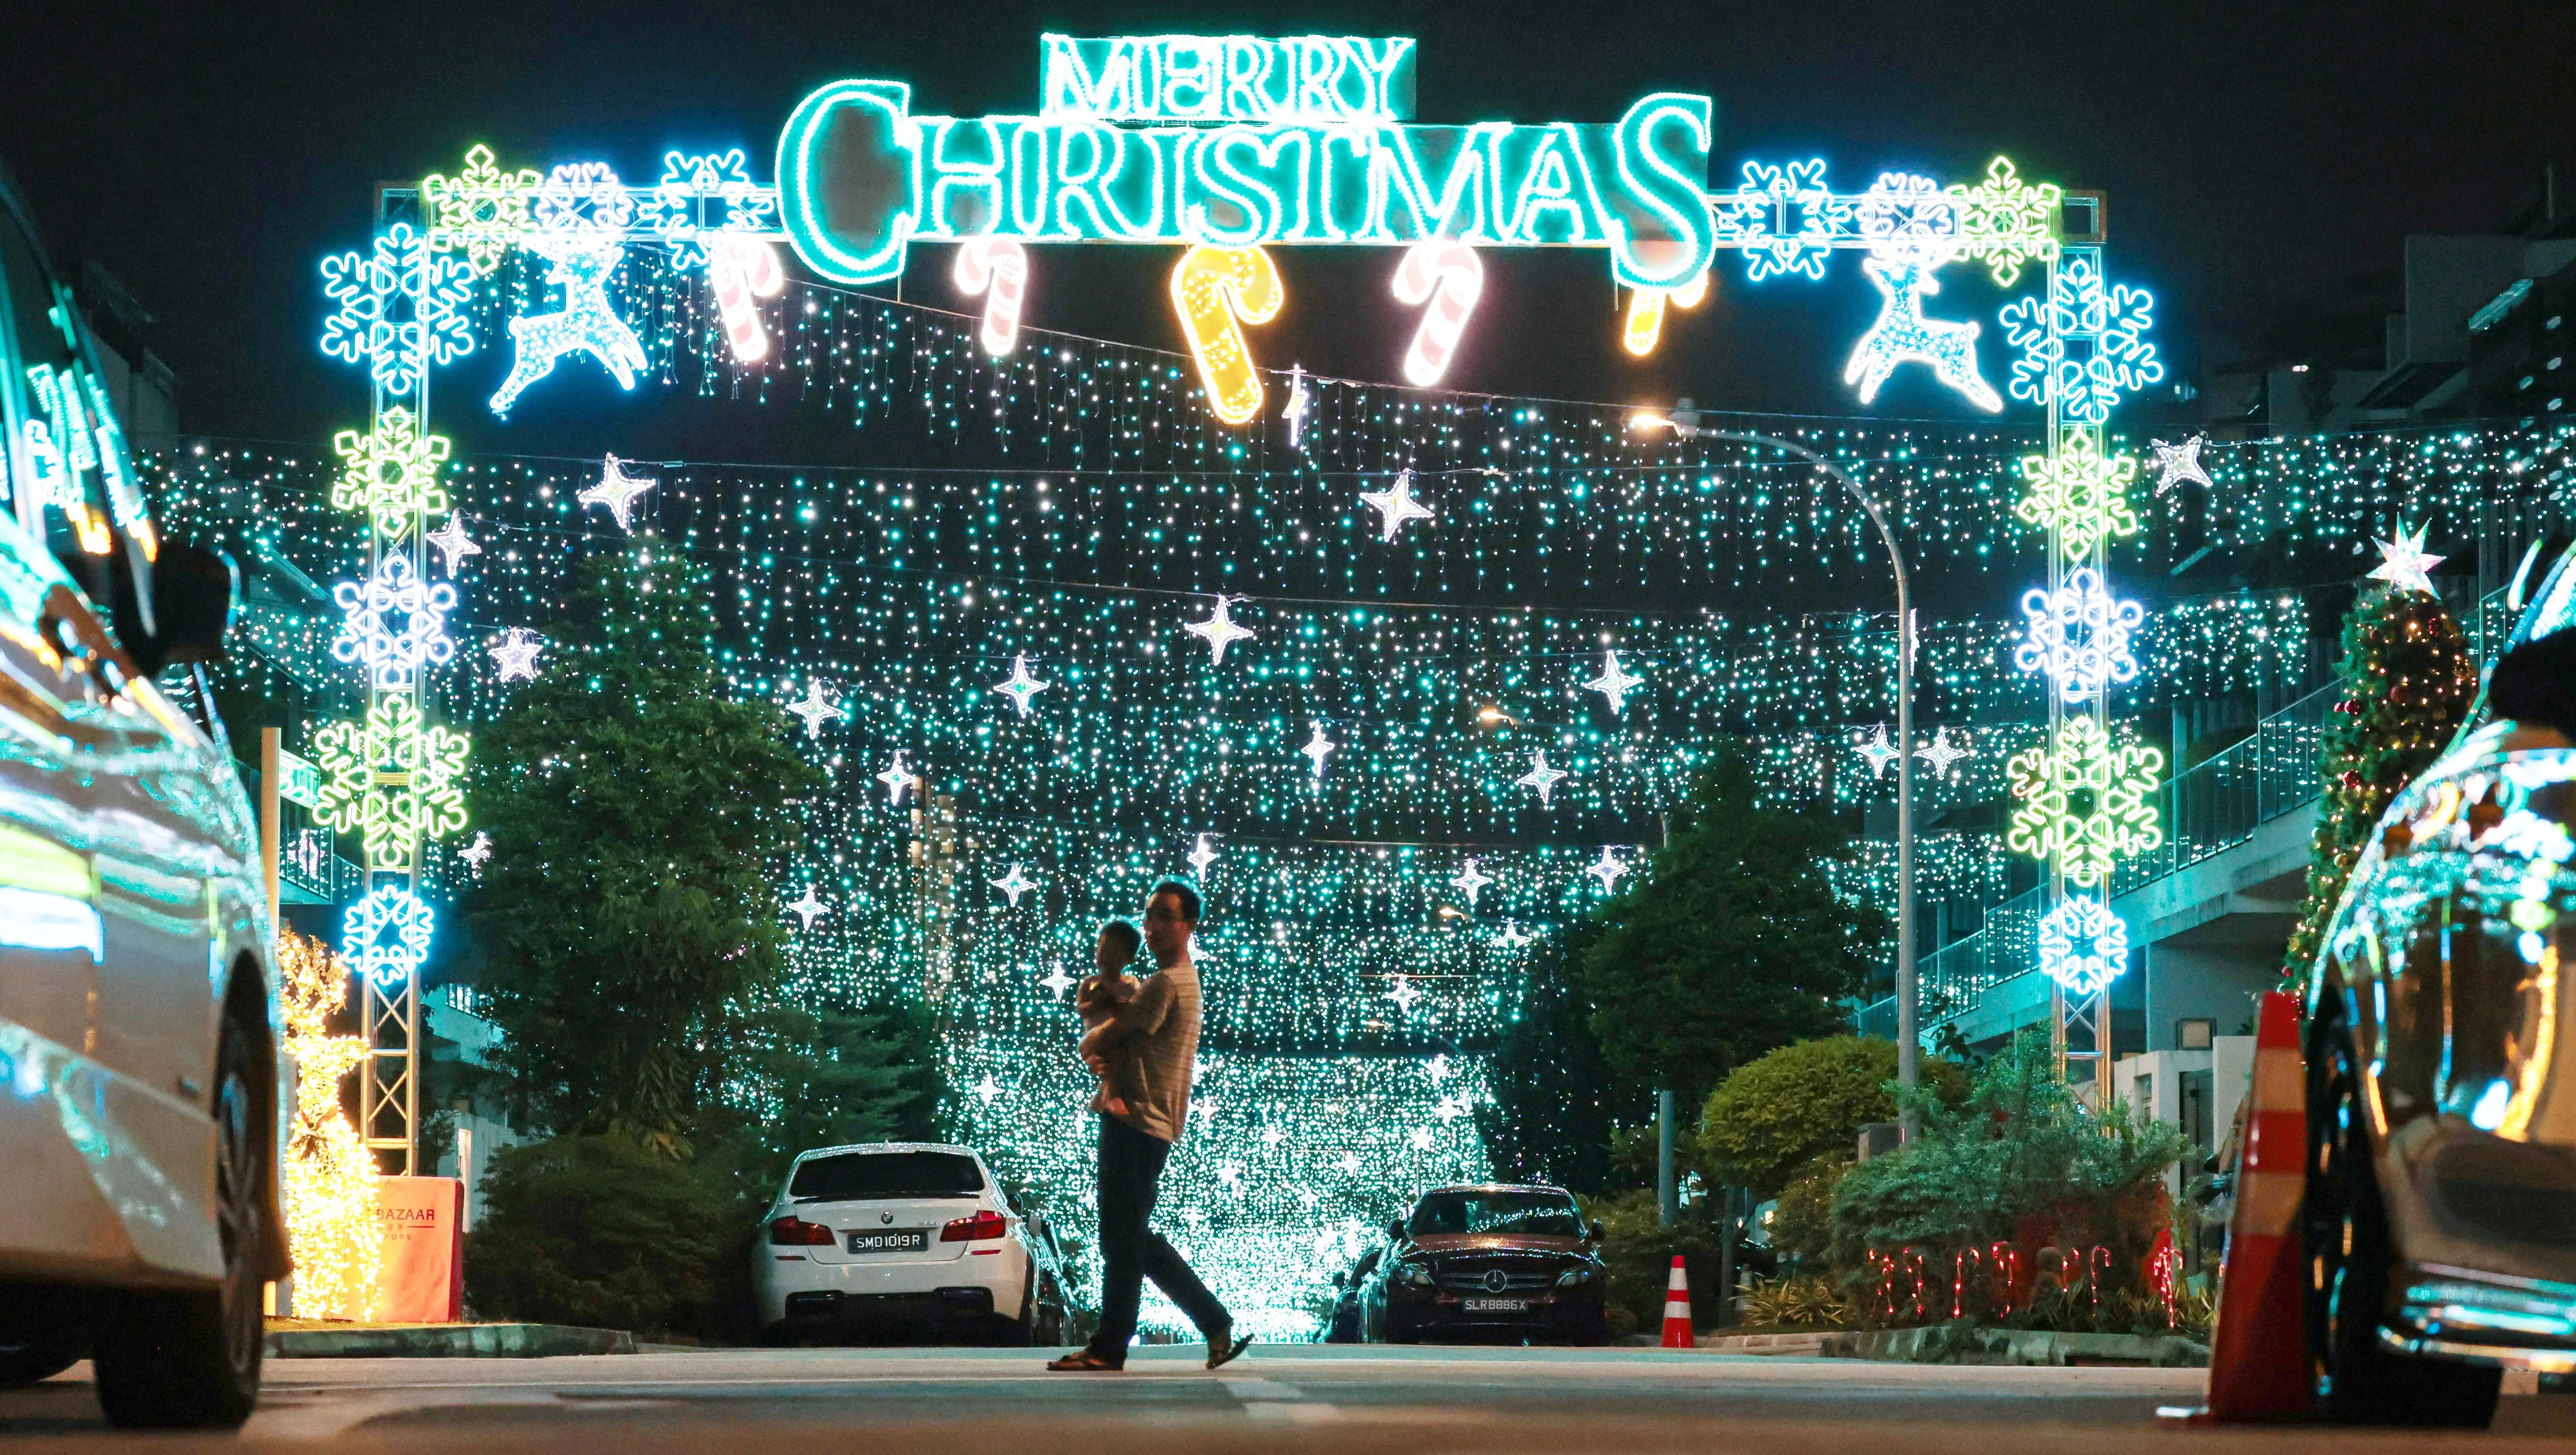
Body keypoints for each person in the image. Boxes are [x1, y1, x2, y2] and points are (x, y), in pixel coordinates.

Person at [1047, 879, 1251, 1373]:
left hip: (1135, 1119)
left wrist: (1095, 1041)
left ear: (1188, 924)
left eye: (1165, 915)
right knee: (1129, 1236)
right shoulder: (1184, 981)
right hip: (1151, 1122)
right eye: (1150, 914)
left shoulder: (1162, 986)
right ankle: (1208, 1323)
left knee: (1122, 1239)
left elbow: (1101, 1038)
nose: (1153, 925)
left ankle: (1111, 1345)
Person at [1076, 919, 1148, 1121]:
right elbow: (1081, 1009)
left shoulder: (1131, 983)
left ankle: (1107, 1095)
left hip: (1118, 1035)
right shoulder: (1090, 984)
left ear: (1129, 958)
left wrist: (1121, 1005)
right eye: (1103, 949)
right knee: (1113, 1061)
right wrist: (1096, 1004)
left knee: (1120, 1062)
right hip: (1095, 1038)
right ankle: (1112, 1096)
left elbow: (1136, 1009)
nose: (1107, 956)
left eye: (1115, 953)